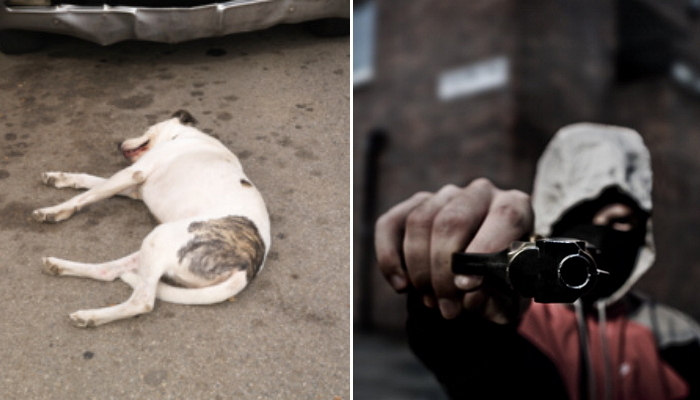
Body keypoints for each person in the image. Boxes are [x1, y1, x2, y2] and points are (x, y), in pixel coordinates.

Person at [375, 123, 700, 400]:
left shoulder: (680, 336)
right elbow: (465, 359)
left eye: (622, 221)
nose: (602, 234)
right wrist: (457, 292)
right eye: (583, 218)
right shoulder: (515, 318)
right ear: (552, 222)